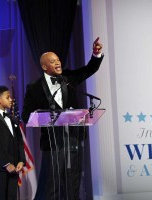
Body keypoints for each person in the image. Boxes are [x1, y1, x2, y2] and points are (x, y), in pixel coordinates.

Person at [22, 37, 104, 200]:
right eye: (53, 61)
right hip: (52, 144)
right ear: (44, 67)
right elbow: (26, 116)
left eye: (58, 59)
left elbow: (88, 70)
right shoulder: (35, 88)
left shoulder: (68, 78)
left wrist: (96, 54)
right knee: (51, 184)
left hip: (74, 139)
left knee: (73, 183)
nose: (58, 63)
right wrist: (44, 116)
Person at [0, 85, 26, 200]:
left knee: (12, 196)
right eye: (8, 97)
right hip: (1, 167)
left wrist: (21, 160)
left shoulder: (13, 118)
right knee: (0, 196)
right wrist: (6, 164)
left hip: (15, 166)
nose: (11, 99)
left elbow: (19, 141)